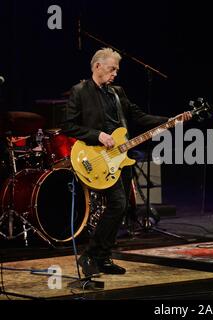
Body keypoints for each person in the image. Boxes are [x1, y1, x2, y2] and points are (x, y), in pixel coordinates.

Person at [61, 48, 190, 276]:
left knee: (123, 207)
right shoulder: (80, 91)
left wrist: (170, 121)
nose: (115, 74)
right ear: (97, 66)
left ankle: (102, 257)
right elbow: (69, 126)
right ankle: (91, 254)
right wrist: (97, 135)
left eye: (117, 70)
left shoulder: (117, 92)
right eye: (112, 69)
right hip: (96, 157)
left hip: (121, 158)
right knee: (118, 204)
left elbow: (138, 117)